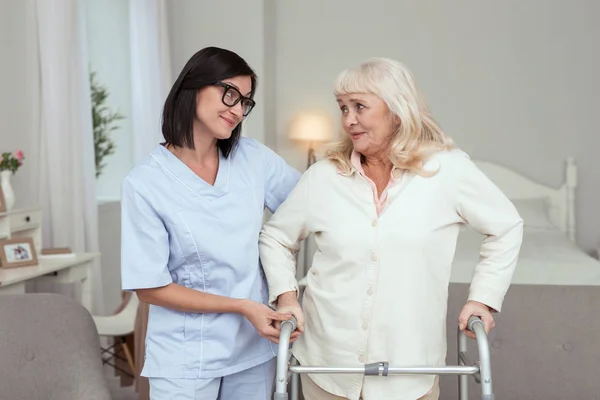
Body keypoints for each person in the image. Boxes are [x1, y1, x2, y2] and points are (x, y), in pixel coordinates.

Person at [259, 58, 523, 400]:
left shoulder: (448, 170)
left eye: (360, 107)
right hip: (326, 367)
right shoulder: (324, 176)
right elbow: (276, 236)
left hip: (410, 370)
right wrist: (286, 296)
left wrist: (483, 300)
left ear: (396, 110)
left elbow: (507, 226)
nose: (348, 119)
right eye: (343, 108)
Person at [120, 46, 301, 400]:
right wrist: (242, 305)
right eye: (229, 93)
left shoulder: (253, 159)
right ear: (193, 86)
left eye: (245, 101)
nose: (237, 109)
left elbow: (309, 207)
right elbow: (149, 287)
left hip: (253, 349)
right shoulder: (145, 183)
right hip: (185, 358)